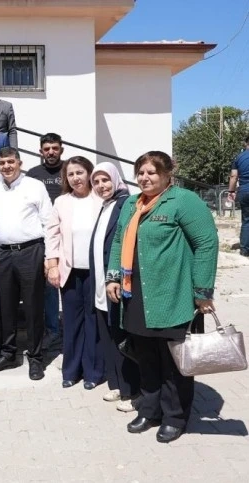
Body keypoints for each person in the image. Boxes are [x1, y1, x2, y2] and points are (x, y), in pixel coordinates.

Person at [107, 151, 219, 443]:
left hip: (173, 295)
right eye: (140, 172)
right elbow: (119, 240)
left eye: (151, 172)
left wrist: (202, 291)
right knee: (145, 357)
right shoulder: (132, 203)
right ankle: (149, 409)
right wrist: (113, 276)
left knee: (174, 362)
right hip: (136, 295)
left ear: (168, 173)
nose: (144, 178)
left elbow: (206, 243)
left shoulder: (183, 201)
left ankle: (174, 417)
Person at [0, 148, 52, 380]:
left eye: (10, 162)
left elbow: (48, 223)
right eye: (2, 163)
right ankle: (8, 353)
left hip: (30, 251)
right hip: (4, 254)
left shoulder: (35, 186)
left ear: (19, 163)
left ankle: (35, 358)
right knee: (6, 306)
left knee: (33, 307)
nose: (6, 166)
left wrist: (49, 257)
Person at [45, 157, 103, 389]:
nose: (76, 178)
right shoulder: (61, 202)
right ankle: (71, 370)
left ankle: (93, 372)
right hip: (69, 271)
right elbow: (52, 236)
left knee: (93, 321)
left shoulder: (101, 199)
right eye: (71, 174)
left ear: (89, 173)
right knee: (71, 322)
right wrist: (52, 265)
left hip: (96, 272)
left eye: (80, 172)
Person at [89, 162, 140, 412]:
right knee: (109, 336)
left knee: (123, 339)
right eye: (96, 182)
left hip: (117, 284)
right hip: (102, 284)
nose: (101, 186)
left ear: (115, 179)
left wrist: (117, 278)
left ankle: (133, 390)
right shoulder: (104, 205)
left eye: (105, 180)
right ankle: (117, 384)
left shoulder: (125, 204)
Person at [27, 133, 66, 352]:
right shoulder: (33, 174)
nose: (51, 152)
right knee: (49, 284)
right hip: (42, 236)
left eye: (55, 148)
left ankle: (66, 327)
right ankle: (51, 330)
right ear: (40, 151)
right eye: (47, 149)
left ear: (61, 149)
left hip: (67, 234)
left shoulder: (69, 170)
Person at [227, 136, 249, 256]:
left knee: (246, 221)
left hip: (244, 191)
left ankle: (245, 250)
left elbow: (234, 176)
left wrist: (231, 191)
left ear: (246, 143)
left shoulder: (239, 157)